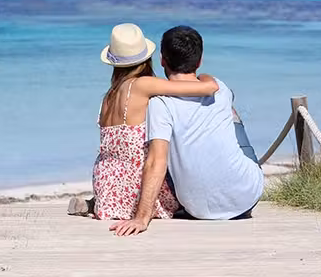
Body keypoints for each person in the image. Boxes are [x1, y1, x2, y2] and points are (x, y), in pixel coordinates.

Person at [110, 25, 264, 236]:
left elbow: (156, 161)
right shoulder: (220, 86)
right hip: (247, 197)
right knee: (231, 114)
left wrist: (141, 218)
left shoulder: (159, 103)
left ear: (163, 60)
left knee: (165, 144)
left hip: (197, 209)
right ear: (199, 61)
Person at [77, 23, 220, 221]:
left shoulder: (108, 97)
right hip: (136, 190)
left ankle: (95, 204)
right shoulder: (142, 85)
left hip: (106, 188)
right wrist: (205, 76)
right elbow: (207, 88)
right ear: (148, 58)